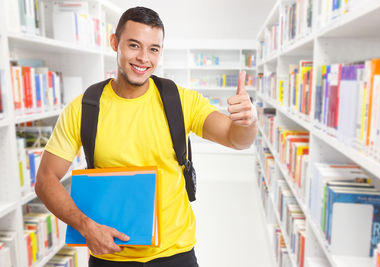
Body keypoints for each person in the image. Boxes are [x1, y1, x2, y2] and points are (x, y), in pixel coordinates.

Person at [35, 6, 257, 267]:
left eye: (153, 49)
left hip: (176, 254)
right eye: (133, 45)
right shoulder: (84, 108)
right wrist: (86, 227)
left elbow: (236, 139)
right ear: (114, 43)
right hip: (109, 252)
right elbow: (45, 180)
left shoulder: (179, 101)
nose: (143, 58)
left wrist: (248, 121)